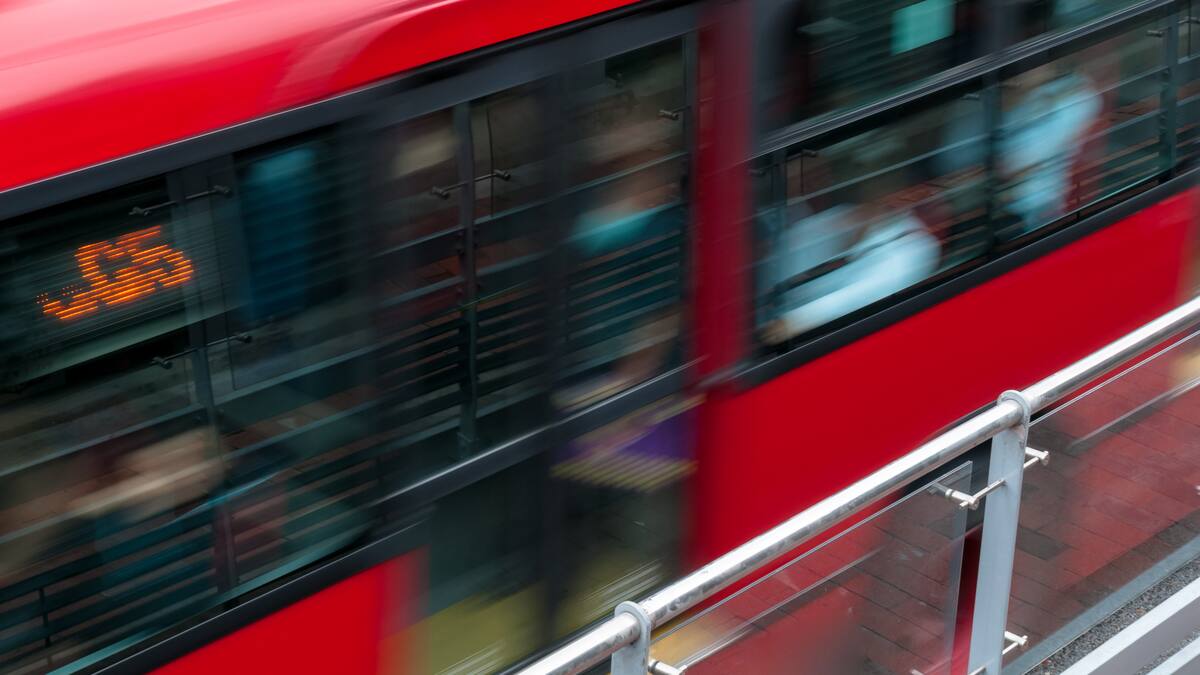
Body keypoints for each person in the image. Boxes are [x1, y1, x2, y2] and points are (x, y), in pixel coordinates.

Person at [759, 144, 941, 345]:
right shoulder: (839, 219)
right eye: (870, 184)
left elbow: (852, 299)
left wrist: (790, 323)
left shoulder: (914, 248)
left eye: (885, 184)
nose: (877, 195)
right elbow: (781, 259)